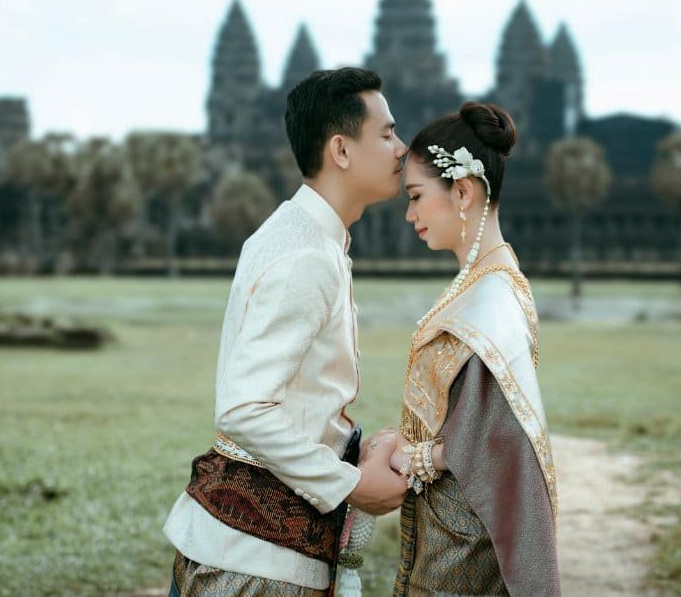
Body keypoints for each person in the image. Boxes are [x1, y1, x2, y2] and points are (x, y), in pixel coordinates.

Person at [163, 67, 411, 596]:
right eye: (387, 134)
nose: (401, 149)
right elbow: (244, 407)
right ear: (341, 151)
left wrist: (357, 448)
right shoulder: (306, 255)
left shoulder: (303, 237)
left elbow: (299, 398)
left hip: (255, 555)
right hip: (256, 568)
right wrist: (352, 484)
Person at [386, 101, 560, 596]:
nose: (410, 213)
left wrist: (414, 458)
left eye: (417, 196)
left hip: (465, 545)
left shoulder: (493, 298)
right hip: (450, 526)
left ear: (462, 191)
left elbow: (496, 441)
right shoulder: (484, 284)